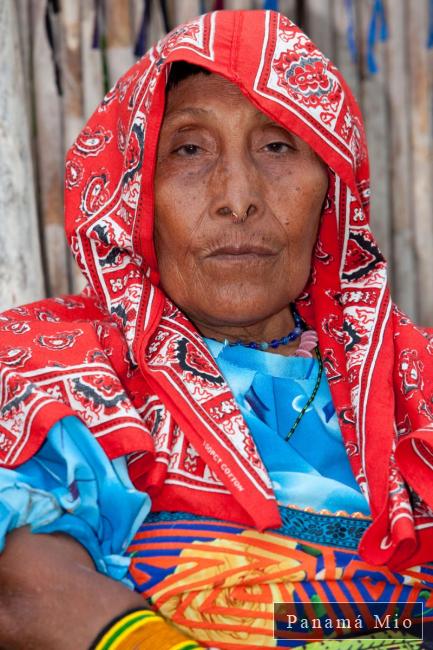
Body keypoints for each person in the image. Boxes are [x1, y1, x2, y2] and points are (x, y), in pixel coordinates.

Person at [1, 8, 433, 650]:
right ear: (135, 187)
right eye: (190, 148)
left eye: (278, 146)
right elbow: (23, 590)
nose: (238, 196)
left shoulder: (412, 376)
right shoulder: (53, 362)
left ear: (332, 186)